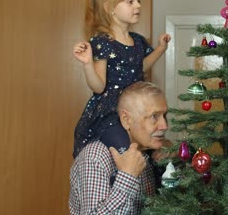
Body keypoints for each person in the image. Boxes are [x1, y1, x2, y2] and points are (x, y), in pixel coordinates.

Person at [72, 0, 171, 158]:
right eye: (130, 1)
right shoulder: (103, 42)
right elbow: (99, 86)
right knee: (126, 153)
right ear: (110, 8)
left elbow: (141, 67)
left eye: (138, 0)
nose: (138, 6)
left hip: (137, 110)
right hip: (112, 113)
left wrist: (160, 49)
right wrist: (88, 64)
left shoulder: (138, 41)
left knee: (152, 155)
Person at [69, 81, 169, 214]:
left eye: (164, 116)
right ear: (126, 119)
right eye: (154, 116)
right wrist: (127, 177)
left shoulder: (146, 155)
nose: (164, 126)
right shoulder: (95, 157)